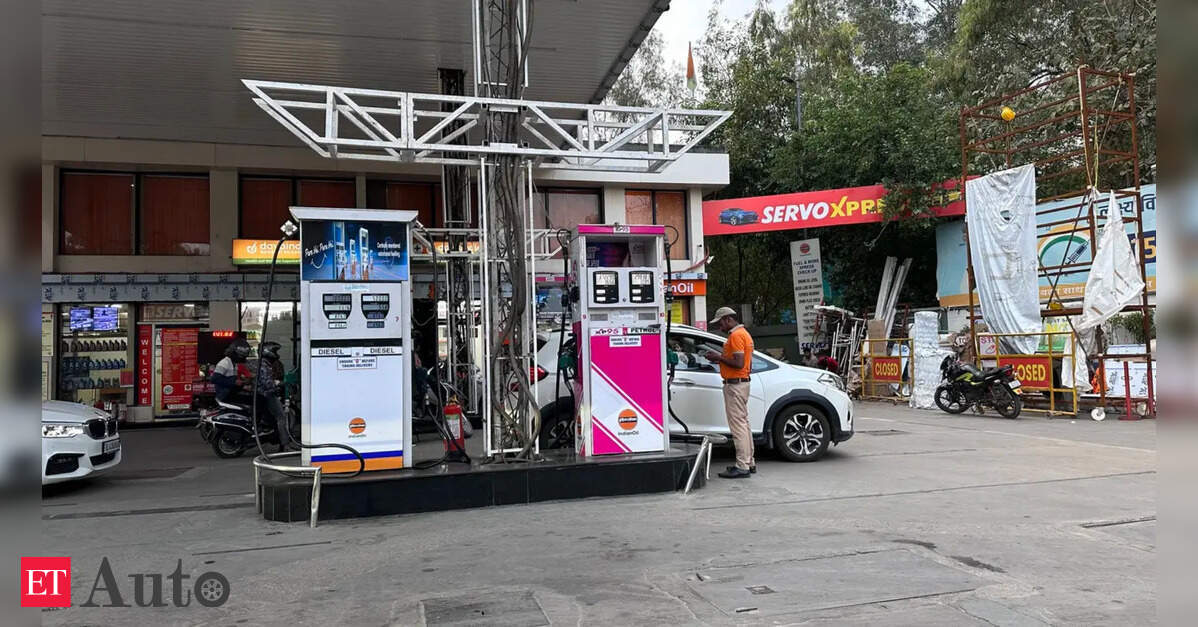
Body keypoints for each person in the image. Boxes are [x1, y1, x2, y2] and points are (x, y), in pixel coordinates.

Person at [704, 307, 756, 479]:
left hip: (735, 385)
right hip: (741, 383)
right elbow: (744, 363)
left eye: (720, 323)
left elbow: (739, 363)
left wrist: (718, 357)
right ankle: (749, 462)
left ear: (728, 319)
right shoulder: (744, 334)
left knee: (738, 426)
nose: (719, 326)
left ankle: (742, 466)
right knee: (744, 424)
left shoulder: (735, 336)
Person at [255, 341, 293, 451]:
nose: (276, 354)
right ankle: (285, 444)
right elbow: (268, 384)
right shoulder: (263, 366)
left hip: (263, 395)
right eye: (274, 351)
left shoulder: (265, 364)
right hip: (267, 395)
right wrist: (278, 384)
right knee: (281, 417)